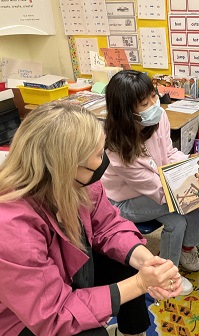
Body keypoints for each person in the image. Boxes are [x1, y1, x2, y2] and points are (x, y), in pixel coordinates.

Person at [0, 103, 182, 336]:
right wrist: (140, 284)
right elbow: (52, 315)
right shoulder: (12, 228)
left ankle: (132, 331)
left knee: (127, 263)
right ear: (67, 166)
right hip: (21, 318)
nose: (103, 161)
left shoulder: (80, 183)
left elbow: (108, 224)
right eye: (98, 154)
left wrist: (145, 260)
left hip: (66, 273)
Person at [102, 70, 199, 296]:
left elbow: (169, 154)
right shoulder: (118, 150)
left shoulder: (158, 118)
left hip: (156, 187)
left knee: (182, 212)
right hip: (123, 202)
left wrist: (192, 160)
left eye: (152, 96)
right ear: (125, 111)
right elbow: (160, 193)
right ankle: (167, 276)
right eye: (144, 103)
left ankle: (185, 251)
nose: (153, 104)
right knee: (184, 204)